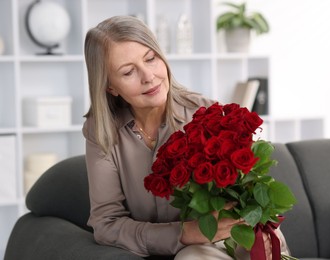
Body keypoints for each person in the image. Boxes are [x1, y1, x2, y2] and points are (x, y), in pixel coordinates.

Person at [82, 15, 290, 259]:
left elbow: (252, 198)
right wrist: (184, 233)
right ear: (110, 87)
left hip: (234, 240)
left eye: (151, 59)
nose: (148, 76)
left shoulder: (208, 114)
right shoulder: (100, 132)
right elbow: (107, 224)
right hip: (191, 250)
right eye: (128, 72)